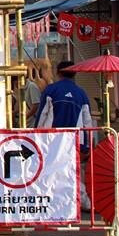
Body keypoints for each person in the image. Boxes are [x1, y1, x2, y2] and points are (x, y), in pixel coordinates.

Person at [35, 60, 94, 209]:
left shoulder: (51, 91)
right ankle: (84, 203)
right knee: (75, 170)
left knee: (50, 169)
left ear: (58, 72)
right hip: (76, 140)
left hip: (52, 139)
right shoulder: (82, 94)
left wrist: (36, 135)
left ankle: (51, 201)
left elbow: (42, 115)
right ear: (74, 74)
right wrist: (88, 144)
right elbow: (88, 121)